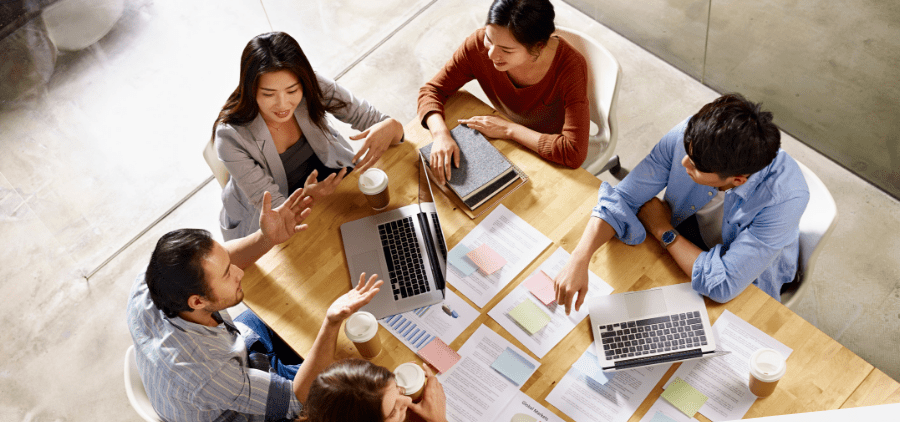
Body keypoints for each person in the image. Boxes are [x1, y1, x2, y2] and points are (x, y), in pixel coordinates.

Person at [127, 189, 383, 422]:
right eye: (227, 275)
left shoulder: (152, 280)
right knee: (355, 387)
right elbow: (300, 399)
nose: (239, 272)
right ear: (197, 302)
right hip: (240, 419)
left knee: (303, 317)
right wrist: (331, 323)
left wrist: (266, 238)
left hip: (224, 360)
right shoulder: (207, 374)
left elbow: (222, 261)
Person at [554, 94, 810, 312]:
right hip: (690, 237)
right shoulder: (692, 137)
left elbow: (723, 285)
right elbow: (623, 199)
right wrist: (580, 257)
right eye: (687, 154)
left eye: (695, 166)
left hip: (747, 278)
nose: (683, 163)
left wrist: (662, 229)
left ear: (737, 179)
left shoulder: (784, 200)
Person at [213, 31, 404, 240]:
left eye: (292, 91)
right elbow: (275, 211)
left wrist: (391, 125)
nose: (282, 104)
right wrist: (307, 197)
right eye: (268, 94)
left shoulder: (310, 84)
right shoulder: (229, 137)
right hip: (270, 215)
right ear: (250, 90)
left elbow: (371, 118)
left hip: (327, 181)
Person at [417, 0, 590, 183]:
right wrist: (440, 135)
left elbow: (573, 152)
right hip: (504, 138)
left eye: (506, 50)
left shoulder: (570, 68)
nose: (491, 54)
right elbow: (432, 90)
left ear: (538, 47)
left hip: (543, 147)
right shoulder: (477, 45)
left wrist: (508, 129)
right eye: (489, 40)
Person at [295, 359, 470, 422]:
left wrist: (384, 388)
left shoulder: (321, 416)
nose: (408, 400)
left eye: (397, 386)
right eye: (393, 411)